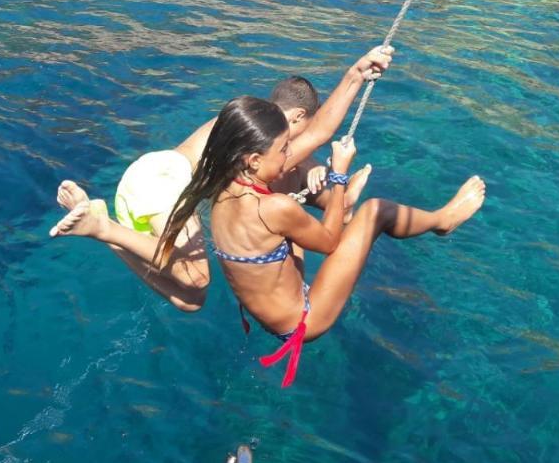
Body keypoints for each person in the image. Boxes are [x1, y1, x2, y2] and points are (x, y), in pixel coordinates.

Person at [156, 96, 486, 387]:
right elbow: (329, 244)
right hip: (303, 319)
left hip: (269, 309)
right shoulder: (272, 208)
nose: (288, 156)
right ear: (253, 159)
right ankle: (443, 221)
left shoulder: (222, 190)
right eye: (283, 149)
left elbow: (282, 184)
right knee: (374, 211)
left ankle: (341, 209)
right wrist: (339, 174)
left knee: (290, 192)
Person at [48, 47, 393, 311]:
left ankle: (105, 230)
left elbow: (285, 177)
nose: (290, 148)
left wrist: (334, 195)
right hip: (165, 180)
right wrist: (355, 75)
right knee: (196, 276)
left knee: (191, 299)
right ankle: (102, 227)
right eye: (289, 141)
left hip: (146, 176)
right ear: (297, 116)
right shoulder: (261, 133)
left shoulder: (247, 125)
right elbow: (319, 133)